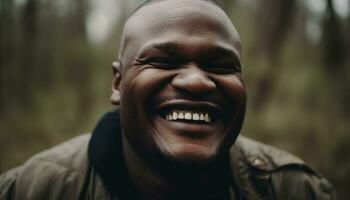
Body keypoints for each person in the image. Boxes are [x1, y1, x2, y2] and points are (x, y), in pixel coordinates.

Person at [0, 0, 338, 199]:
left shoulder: (295, 190)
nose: (195, 81)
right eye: (163, 61)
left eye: (220, 66)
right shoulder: (30, 190)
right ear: (118, 82)